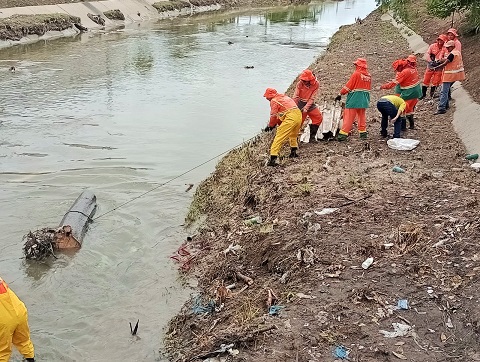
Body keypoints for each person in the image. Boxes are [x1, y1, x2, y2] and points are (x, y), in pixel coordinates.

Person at [263, 88, 302, 166]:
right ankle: (293, 152)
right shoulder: (284, 97)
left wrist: (270, 126)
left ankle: (273, 159)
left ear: (270, 96)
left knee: (278, 138)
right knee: (293, 135)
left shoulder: (274, 101)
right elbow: (282, 114)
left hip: (291, 118)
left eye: (267, 97)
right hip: (298, 115)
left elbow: (273, 116)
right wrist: (276, 123)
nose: (266, 98)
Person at [334, 58, 371, 140]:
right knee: (361, 117)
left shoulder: (356, 74)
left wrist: (340, 93)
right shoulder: (368, 76)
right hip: (364, 100)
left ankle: (342, 135)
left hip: (354, 99)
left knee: (348, 117)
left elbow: (348, 86)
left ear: (359, 66)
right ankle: (363, 134)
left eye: (356, 65)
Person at [381, 56, 422, 130]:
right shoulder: (413, 69)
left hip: (408, 93)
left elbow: (393, 84)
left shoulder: (404, 72)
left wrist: (383, 86)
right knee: (410, 109)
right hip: (417, 92)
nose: (397, 70)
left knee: (401, 108)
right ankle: (411, 125)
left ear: (401, 66)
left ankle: (403, 128)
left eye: (397, 68)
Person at [0, 277, 35, 362]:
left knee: (2, 351)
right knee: (24, 341)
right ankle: (31, 360)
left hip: (3, 319)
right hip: (19, 309)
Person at [434, 40, 465, 115]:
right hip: (458, 74)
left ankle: (442, 108)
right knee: (446, 90)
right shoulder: (457, 52)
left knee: (443, 91)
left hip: (449, 75)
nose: (447, 49)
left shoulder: (452, 54)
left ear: (452, 47)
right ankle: (446, 105)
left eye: (448, 47)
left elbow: (446, 63)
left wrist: (436, 67)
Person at [293, 69, 323, 143]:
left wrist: (306, 107)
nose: (303, 81)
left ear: (310, 80)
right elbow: (296, 96)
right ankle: (294, 140)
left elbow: (312, 97)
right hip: (300, 103)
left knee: (318, 118)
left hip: (310, 103)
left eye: (304, 80)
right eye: (302, 80)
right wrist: (293, 107)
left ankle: (312, 138)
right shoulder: (299, 84)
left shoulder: (316, 84)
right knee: (299, 122)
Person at [421, 34, 447, 99]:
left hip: (439, 66)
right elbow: (427, 54)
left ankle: (432, 94)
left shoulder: (445, 48)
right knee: (426, 79)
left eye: (442, 40)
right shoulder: (432, 46)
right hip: (431, 65)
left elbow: (446, 57)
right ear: (437, 40)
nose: (440, 41)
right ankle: (423, 94)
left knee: (436, 80)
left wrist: (440, 61)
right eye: (439, 40)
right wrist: (430, 61)